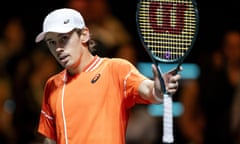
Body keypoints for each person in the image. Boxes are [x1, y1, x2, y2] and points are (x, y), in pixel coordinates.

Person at [34, 8, 181, 144]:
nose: (58, 48)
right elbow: (50, 138)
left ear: (84, 35)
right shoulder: (52, 85)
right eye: (51, 42)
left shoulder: (115, 69)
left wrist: (159, 89)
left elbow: (150, 92)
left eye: (64, 39)